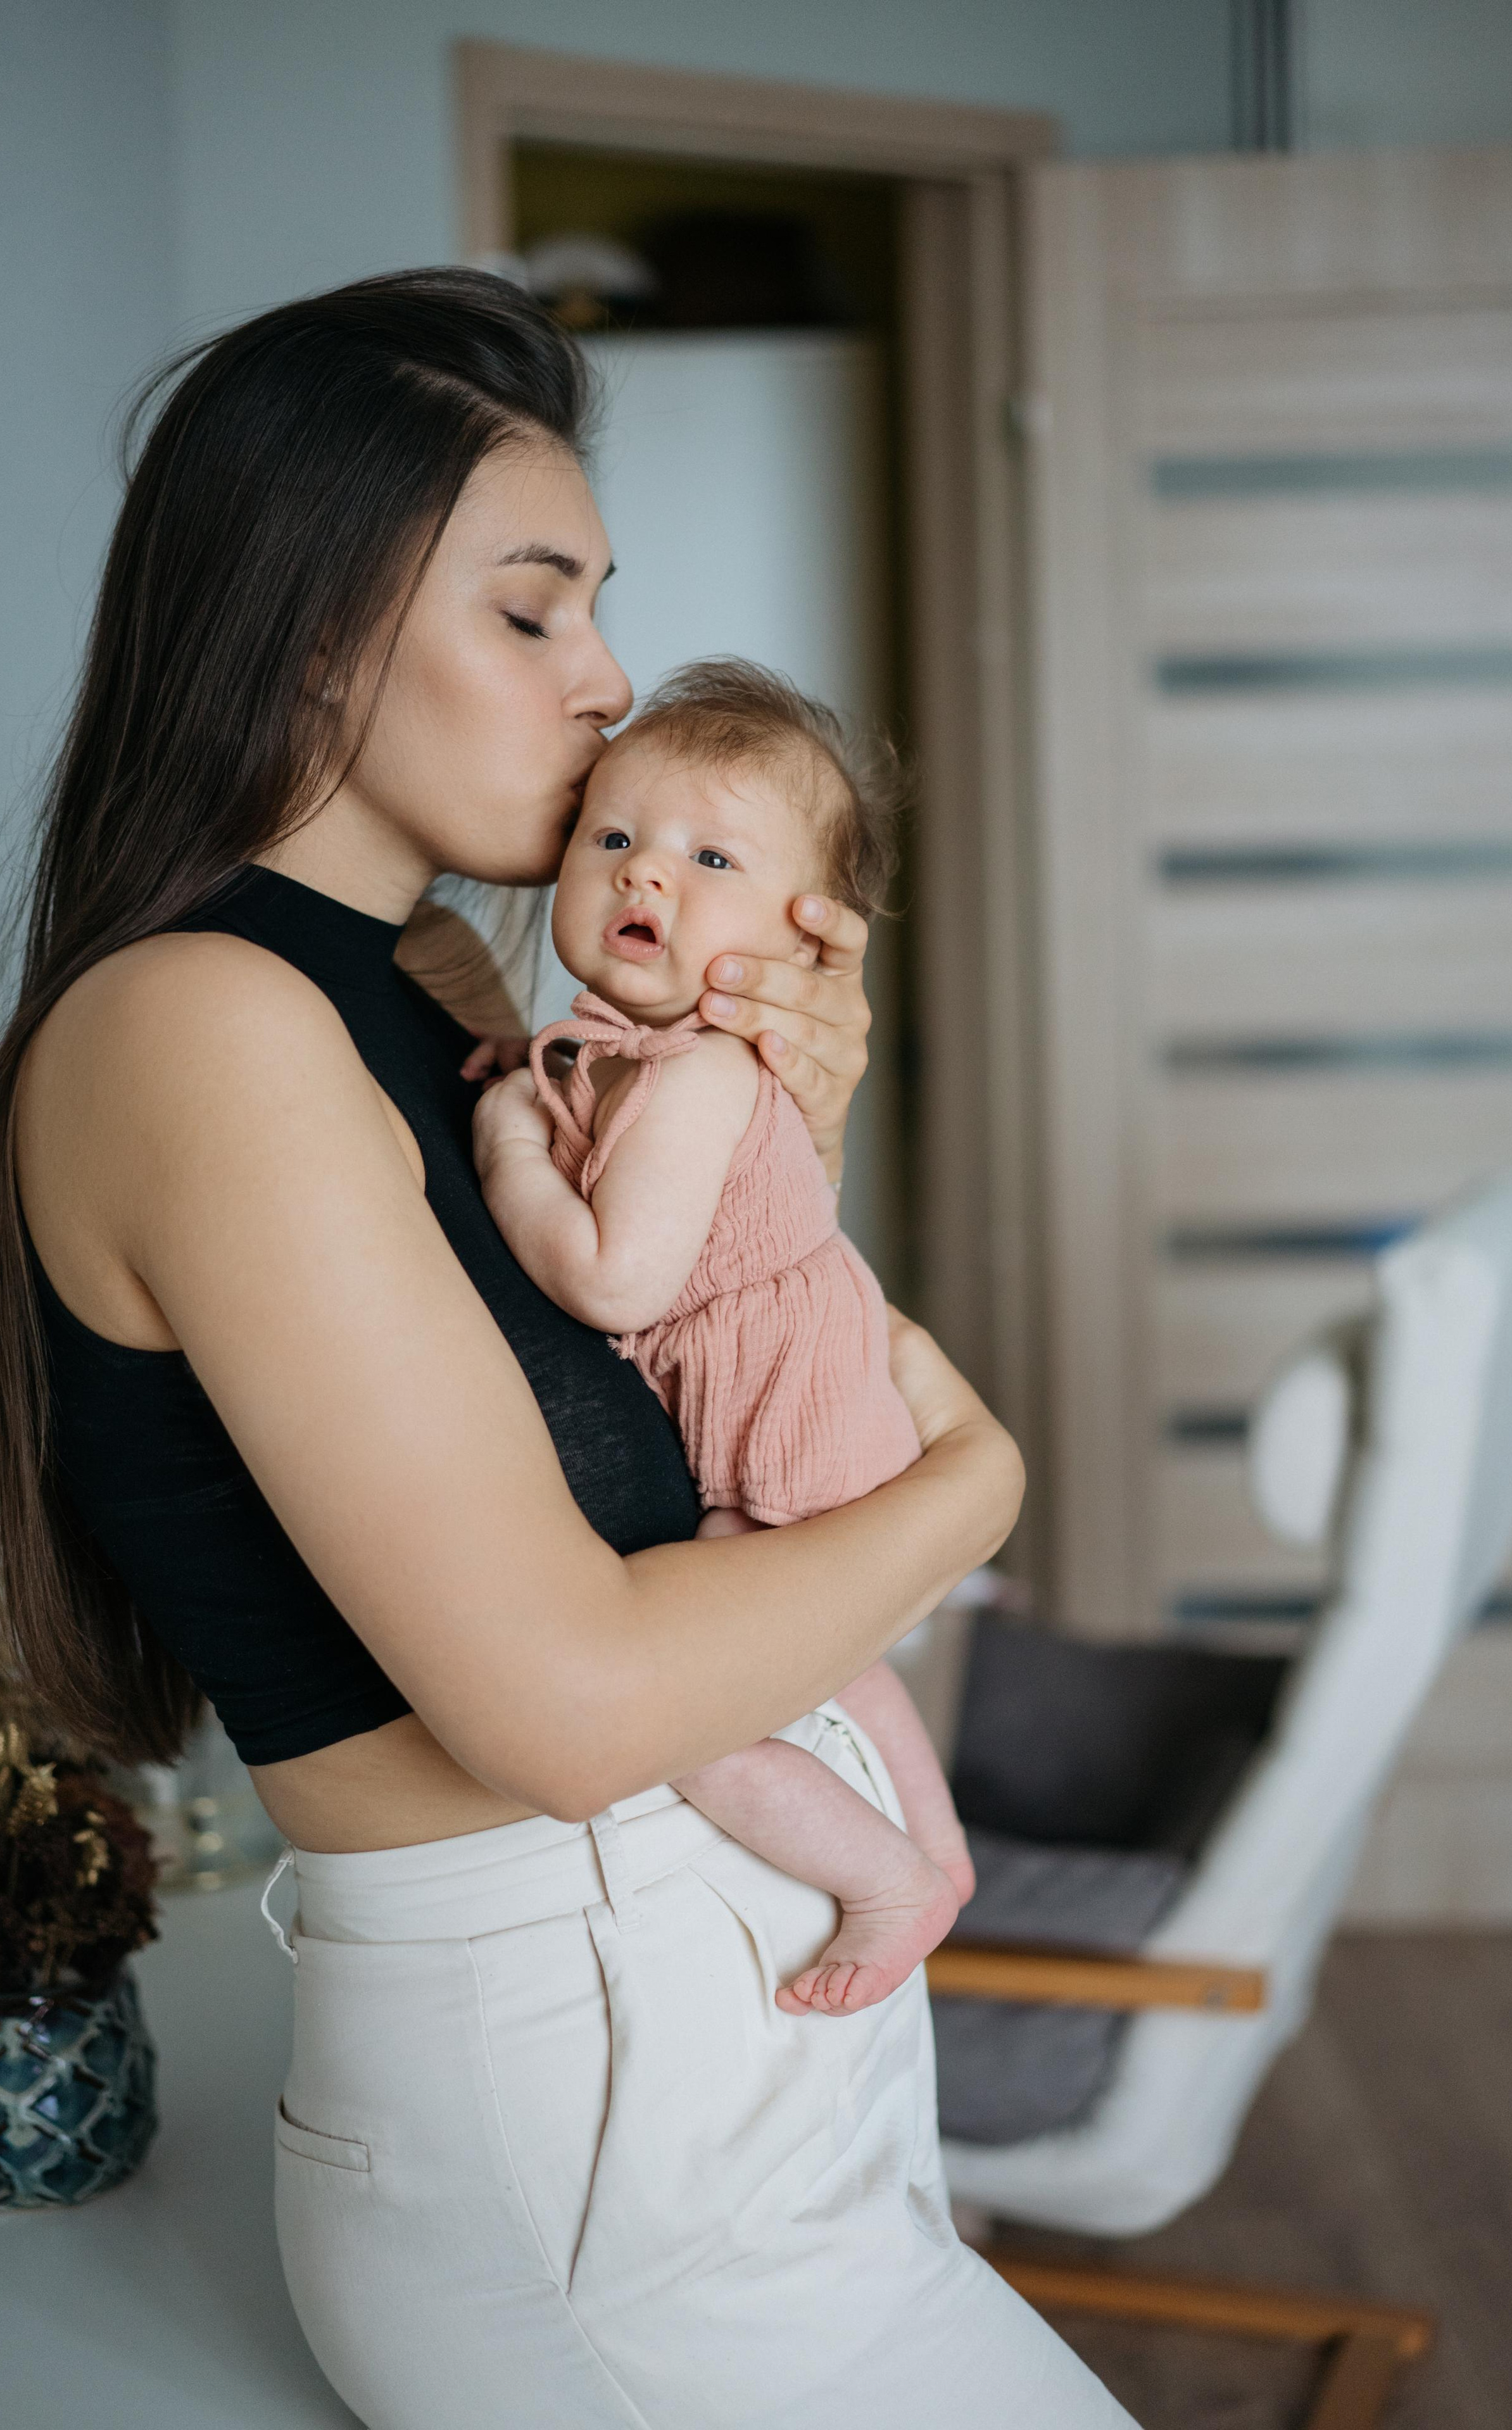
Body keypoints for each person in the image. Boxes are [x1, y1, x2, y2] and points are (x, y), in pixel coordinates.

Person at [0, 269, 1135, 2428]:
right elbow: (570, 1703)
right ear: (315, 621)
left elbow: (652, 1393)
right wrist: (976, 1486)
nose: (606, 688)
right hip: (597, 2089)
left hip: (706, 2016)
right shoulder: (200, 1026)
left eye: (601, 606)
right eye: (534, 610)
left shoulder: (422, 984)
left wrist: (782, 1111)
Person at [478, 656, 976, 2018]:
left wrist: (512, 1145)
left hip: (785, 1421)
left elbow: (614, 1282)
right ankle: (940, 1848)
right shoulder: (636, 1053)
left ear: (798, 939)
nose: (646, 878)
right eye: (617, 838)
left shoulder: (698, 1076)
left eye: (708, 856)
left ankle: (885, 1876)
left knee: (691, 1718)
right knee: (842, 1654)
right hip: (809, 1394)